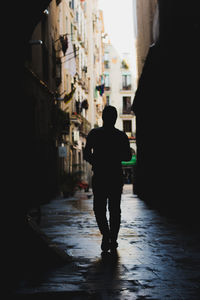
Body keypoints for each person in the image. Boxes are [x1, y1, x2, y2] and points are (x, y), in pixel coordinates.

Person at [83, 105, 132, 253]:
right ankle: (112, 238)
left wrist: (95, 161)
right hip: (115, 177)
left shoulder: (94, 134)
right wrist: (116, 156)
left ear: (103, 117)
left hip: (100, 176)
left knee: (99, 209)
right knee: (114, 210)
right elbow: (128, 156)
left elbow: (86, 153)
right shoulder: (121, 136)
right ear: (115, 118)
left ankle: (107, 236)